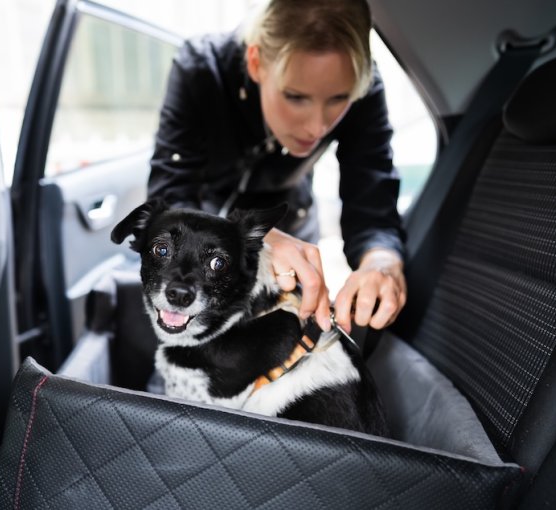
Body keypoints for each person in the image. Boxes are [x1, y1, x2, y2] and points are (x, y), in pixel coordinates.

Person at [148, 0, 407, 334]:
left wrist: (381, 262)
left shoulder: (365, 87)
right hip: (202, 221)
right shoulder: (201, 70)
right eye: (296, 97)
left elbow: (372, 202)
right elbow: (170, 196)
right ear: (256, 63)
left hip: (291, 219)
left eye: (338, 99)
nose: (317, 127)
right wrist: (245, 240)